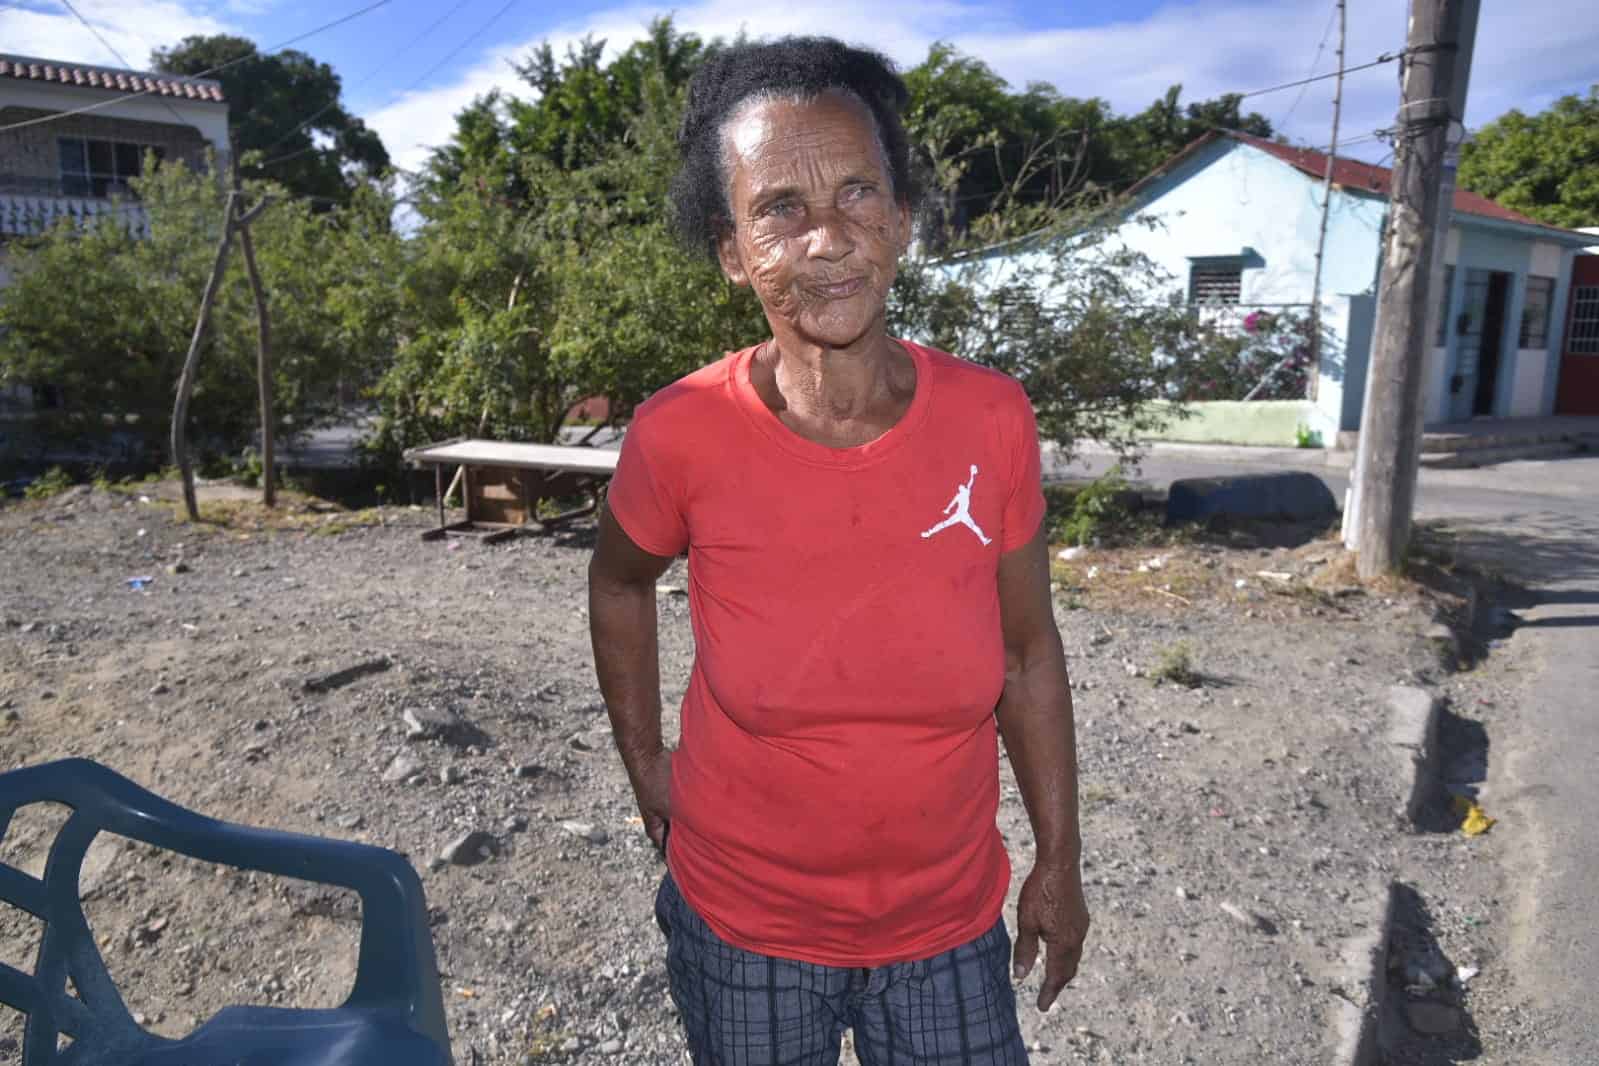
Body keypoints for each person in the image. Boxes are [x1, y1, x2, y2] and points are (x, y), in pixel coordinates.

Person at [587, 35, 1088, 1066]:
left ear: (902, 221)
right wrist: (647, 769)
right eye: (779, 208)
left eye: (860, 192)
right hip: (744, 929)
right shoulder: (680, 431)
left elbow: (1028, 654)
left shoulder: (993, 420)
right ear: (732, 252)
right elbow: (618, 579)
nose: (827, 238)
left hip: (948, 926)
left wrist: (1059, 859)